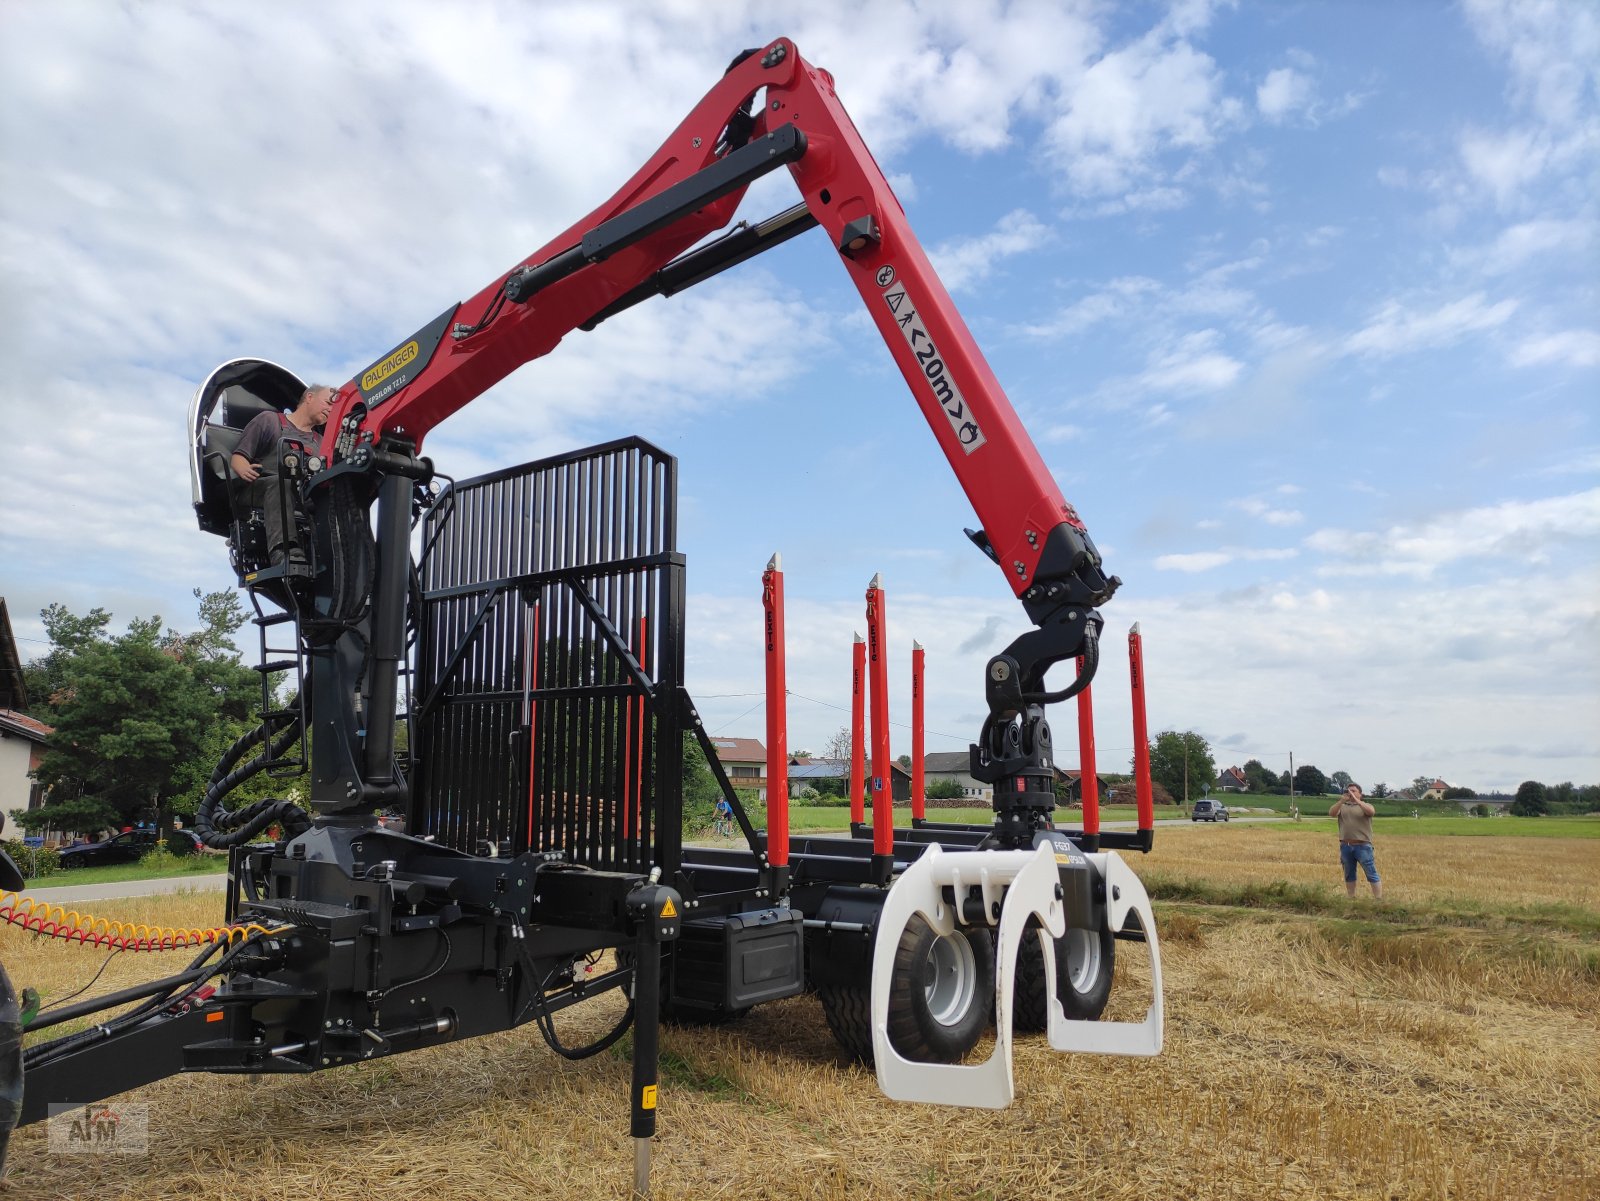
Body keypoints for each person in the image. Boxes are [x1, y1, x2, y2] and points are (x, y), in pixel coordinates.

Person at [230, 384, 336, 571]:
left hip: (300, 496)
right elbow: (238, 458)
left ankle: (332, 559)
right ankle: (283, 550)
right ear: (309, 397)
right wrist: (244, 469)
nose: (331, 409)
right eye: (328, 403)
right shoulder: (269, 421)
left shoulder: (320, 443)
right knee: (281, 485)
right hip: (260, 489)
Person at [1329, 784, 1381, 898]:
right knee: (1349, 874)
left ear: (1360, 793)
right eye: (1348, 791)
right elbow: (1332, 813)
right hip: (1346, 845)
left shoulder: (1365, 805)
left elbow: (1371, 812)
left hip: (1363, 845)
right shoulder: (1342, 806)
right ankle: (1351, 897)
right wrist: (1341, 801)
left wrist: (1357, 801)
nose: (1350, 793)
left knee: (1371, 873)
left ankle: (1378, 899)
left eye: (1353, 791)